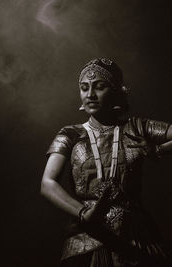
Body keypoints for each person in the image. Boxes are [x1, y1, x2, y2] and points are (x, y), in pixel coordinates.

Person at [41, 58, 172, 267]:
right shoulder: (70, 134)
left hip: (136, 235)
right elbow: (47, 183)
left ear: (117, 92)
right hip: (87, 235)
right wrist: (84, 213)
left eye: (99, 87)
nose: (90, 94)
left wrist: (157, 150)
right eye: (84, 88)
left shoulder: (136, 128)